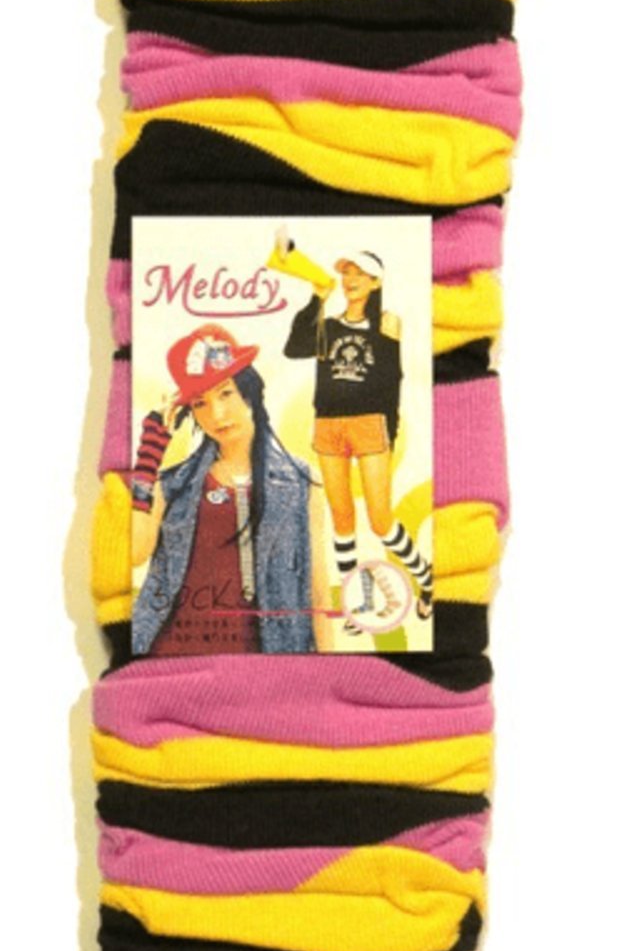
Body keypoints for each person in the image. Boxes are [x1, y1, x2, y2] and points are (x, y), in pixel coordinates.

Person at [130, 323, 332, 655]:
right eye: (200, 404)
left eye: (226, 394)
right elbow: (135, 553)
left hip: (267, 663)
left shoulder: (300, 482)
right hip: (171, 657)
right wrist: (149, 456)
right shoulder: (173, 484)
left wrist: (327, 667)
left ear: (249, 392)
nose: (217, 414)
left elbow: (318, 592)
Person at [282, 233, 433, 629]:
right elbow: (293, 348)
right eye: (346, 272)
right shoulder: (328, 326)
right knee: (342, 518)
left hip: (370, 425)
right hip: (327, 425)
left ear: (375, 281)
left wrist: (389, 431)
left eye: (359, 273)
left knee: (381, 520)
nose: (350, 279)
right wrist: (317, 298)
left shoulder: (387, 323)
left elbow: (392, 379)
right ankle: (358, 604)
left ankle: (426, 578)